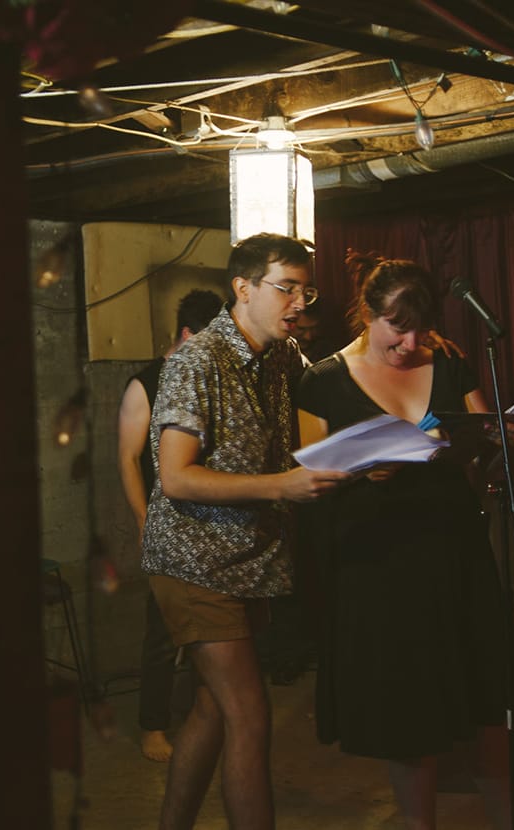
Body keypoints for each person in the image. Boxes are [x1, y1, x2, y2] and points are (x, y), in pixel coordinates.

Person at [142, 233, 349, 830]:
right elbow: (177, 478)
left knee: (213, 708)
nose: (299, 304)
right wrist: (280, 486)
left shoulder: (283, 356)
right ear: (243, 287)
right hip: (194, 561)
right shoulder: (197, 361)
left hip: (248, 559)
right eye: (286, 288)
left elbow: (333, 394)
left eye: (306, 291)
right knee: (250, 714)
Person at [295, 252, 508, 830]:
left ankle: (506, 820)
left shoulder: (451, 363)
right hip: (380, 561)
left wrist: (499, 436)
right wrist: (361, 470)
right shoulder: (321, 381)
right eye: (397, 326)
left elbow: (480, 438)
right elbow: (308, 479)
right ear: (367, 313)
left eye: (420, 327)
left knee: (486, 696)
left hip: (454, 548)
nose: (411, 341)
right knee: (409, 709)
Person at [117, 288, 224, 762]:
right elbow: (127, 456)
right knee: (162, 635)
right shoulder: (146, 383)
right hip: (166, 526)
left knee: (213, 633)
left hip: (210, 524)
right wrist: (144, 519)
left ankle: (208, 717)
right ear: (187, 334)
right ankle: (152, 728)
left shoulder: (209, 377)